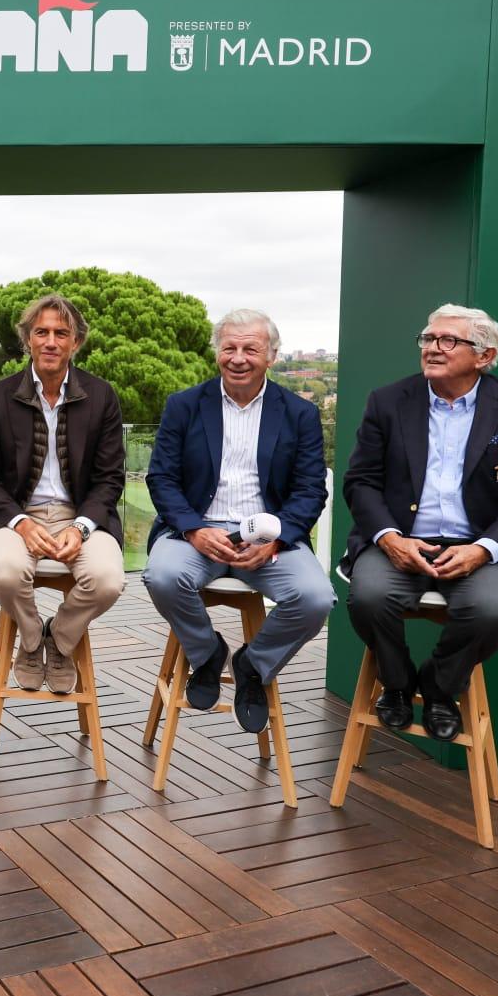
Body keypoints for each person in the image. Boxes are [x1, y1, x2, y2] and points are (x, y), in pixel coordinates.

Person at [342, 303, 498, 741]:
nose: (432, 349)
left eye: (447, 341)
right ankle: (398, 685)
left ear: (484, 355)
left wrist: (483, 550)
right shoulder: (388, 401)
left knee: (494, 610)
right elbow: (361, 482)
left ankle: (441, 690)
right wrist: (388, 539)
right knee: (368, 596)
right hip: (401, 542)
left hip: (477, 544)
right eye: (428, 338)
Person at [144, 310, 334, 732]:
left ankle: (253, 665)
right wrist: (193, 529)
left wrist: (278, 540)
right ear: (217, 353)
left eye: (251, 348)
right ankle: (207, 652)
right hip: (197, 532)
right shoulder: (184, 406)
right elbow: (161, 478)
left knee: (316, 598)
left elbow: (309, 490)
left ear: (272, 355)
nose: (238, 357)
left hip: (269, 541)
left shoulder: (299, 413)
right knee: (160, 575)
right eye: (229, 347)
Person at [0, 293, 126, 695]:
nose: (51, 341)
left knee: (107, 580)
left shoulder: (101, 395)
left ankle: (61, 638)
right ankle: (33, 636)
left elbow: (110, 478)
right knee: (5, 572)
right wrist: (19, 523)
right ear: (28, 340)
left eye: (61, 333)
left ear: (76, 342)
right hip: (15, 514)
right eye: (41, 332)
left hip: (81, 515)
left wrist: (83, 527)